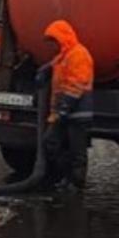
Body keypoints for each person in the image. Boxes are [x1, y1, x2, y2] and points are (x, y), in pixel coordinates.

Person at [40, 19, 94, 188]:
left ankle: (76, 184)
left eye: (54, 41)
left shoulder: (79, 54)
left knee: (77, 151)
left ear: (62, 38)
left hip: (77, 112)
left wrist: (65, 107)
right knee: (51, 142)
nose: (52, 45)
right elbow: (56, 65)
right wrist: (45, 69)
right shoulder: (64, 56)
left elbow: (78, 83)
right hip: (63, 112)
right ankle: (65, 178)